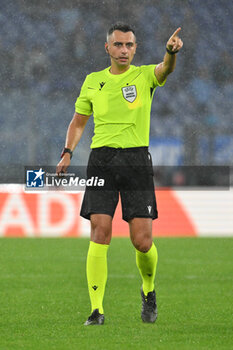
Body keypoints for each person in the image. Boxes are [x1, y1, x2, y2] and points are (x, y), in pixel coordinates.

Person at [56, 23, 183, 325]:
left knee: (142, 241)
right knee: (100, 231)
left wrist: (170, 53)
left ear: (135, 48)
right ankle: (96, 310)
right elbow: (78, 121)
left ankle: (148, 290)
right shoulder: (93, 81)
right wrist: (67, 152)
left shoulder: (143, 76)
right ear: (107, 48)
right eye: (118, 45)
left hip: (136, 160)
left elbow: (165, 70)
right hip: (101, 161)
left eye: (129, 45)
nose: (124, 50)